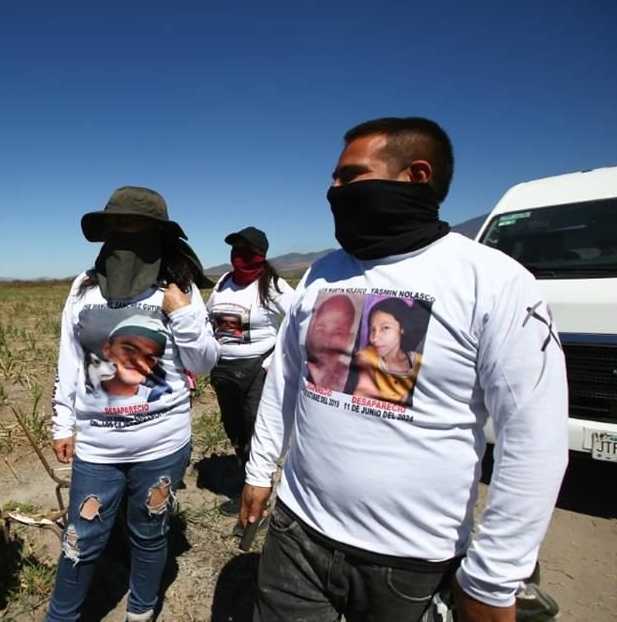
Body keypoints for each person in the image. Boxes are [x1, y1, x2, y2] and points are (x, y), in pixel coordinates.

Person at [240, 117, 568, 622]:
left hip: (412, 559)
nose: (334, 190)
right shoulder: (323, 271)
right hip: (297, 532)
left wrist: (492, 578)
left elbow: (535, 439)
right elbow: (286, 377)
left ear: (416, 176)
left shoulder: (493, 282)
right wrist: (261, 470)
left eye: (350, 176)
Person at [48, 186, 220, 622]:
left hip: (162, 443)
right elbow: (69, 359)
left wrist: (180, 312)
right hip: (97, 448)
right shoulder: (84, 287)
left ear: (156, 232)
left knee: (150, 532)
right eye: (115, 224)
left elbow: (205, 361)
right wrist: (62, 422)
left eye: (133, 224)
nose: (122, 232)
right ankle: (61, 616)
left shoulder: (176, 286)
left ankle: (140, 612)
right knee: (80, 540)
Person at [206, 226, 291, 516]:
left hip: (258, 369)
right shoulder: (223, 281)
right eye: (235, 248)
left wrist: (275, 359)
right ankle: (246, 483)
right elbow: (209, 318)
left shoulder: (272, 285)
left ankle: (260, 499)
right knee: (235, 428)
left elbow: (298, 320)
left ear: (260, 254)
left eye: (246, 249)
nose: (239, 255)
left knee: (256, 428)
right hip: (224, 369)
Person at [351, 296, 424, 403]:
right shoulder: (367, 356)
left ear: (402, 328)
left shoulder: (420, 362)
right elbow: (365, 388)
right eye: (372, 330)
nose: (374, 338)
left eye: (385, 328)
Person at [304, 293, 358, 391]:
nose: (326, 341)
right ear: (311, 330)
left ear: (349, 339)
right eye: (320, 329)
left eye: (338, 333)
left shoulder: (352, 380)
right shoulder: (302, 365)